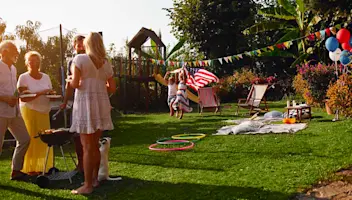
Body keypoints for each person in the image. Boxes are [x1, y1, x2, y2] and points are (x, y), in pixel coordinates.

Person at [69, 32, 116, 195]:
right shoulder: (106, 63)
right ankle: (94, 180)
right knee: (94, 145)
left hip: (86, 104)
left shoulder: (79, 59)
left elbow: (75, 83)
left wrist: (72, 81)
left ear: (87, 44)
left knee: (87, 147)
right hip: (101, 105)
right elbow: (112, 88)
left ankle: (87, 185)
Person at [17, 51, 55, 175]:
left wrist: (50, 93)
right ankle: (30, 168)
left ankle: (43, 166)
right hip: (29, 111)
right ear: (27, 63)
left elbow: (49, 91)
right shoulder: (23, 77)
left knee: (44, 140)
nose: (34, 63)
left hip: (44, 111)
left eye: (36, 60)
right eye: (31, 61)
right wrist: (41, 92)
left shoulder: (46, 77)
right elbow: (23, 97)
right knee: (31, 139)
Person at [0, 40, 30, 180]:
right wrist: (5, 99)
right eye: (14, 51)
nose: (16, 54)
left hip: (14, 112)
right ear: (4, 52)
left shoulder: (13, 69)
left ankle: (16, 171)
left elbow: (12, 91)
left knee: (24, 139)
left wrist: (19, 91)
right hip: (1, 112)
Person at [60, 35, 85, 173]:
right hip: (77, 102)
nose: (81, 47)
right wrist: (65, 101)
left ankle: (92, 165)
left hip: (90, 101)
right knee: (76, 134)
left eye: (83, 45)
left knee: (90, 134)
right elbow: (69, 84)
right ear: (74, 46)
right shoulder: (71, 62)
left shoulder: (92, 59)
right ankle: (80, 164)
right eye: (79, 45)